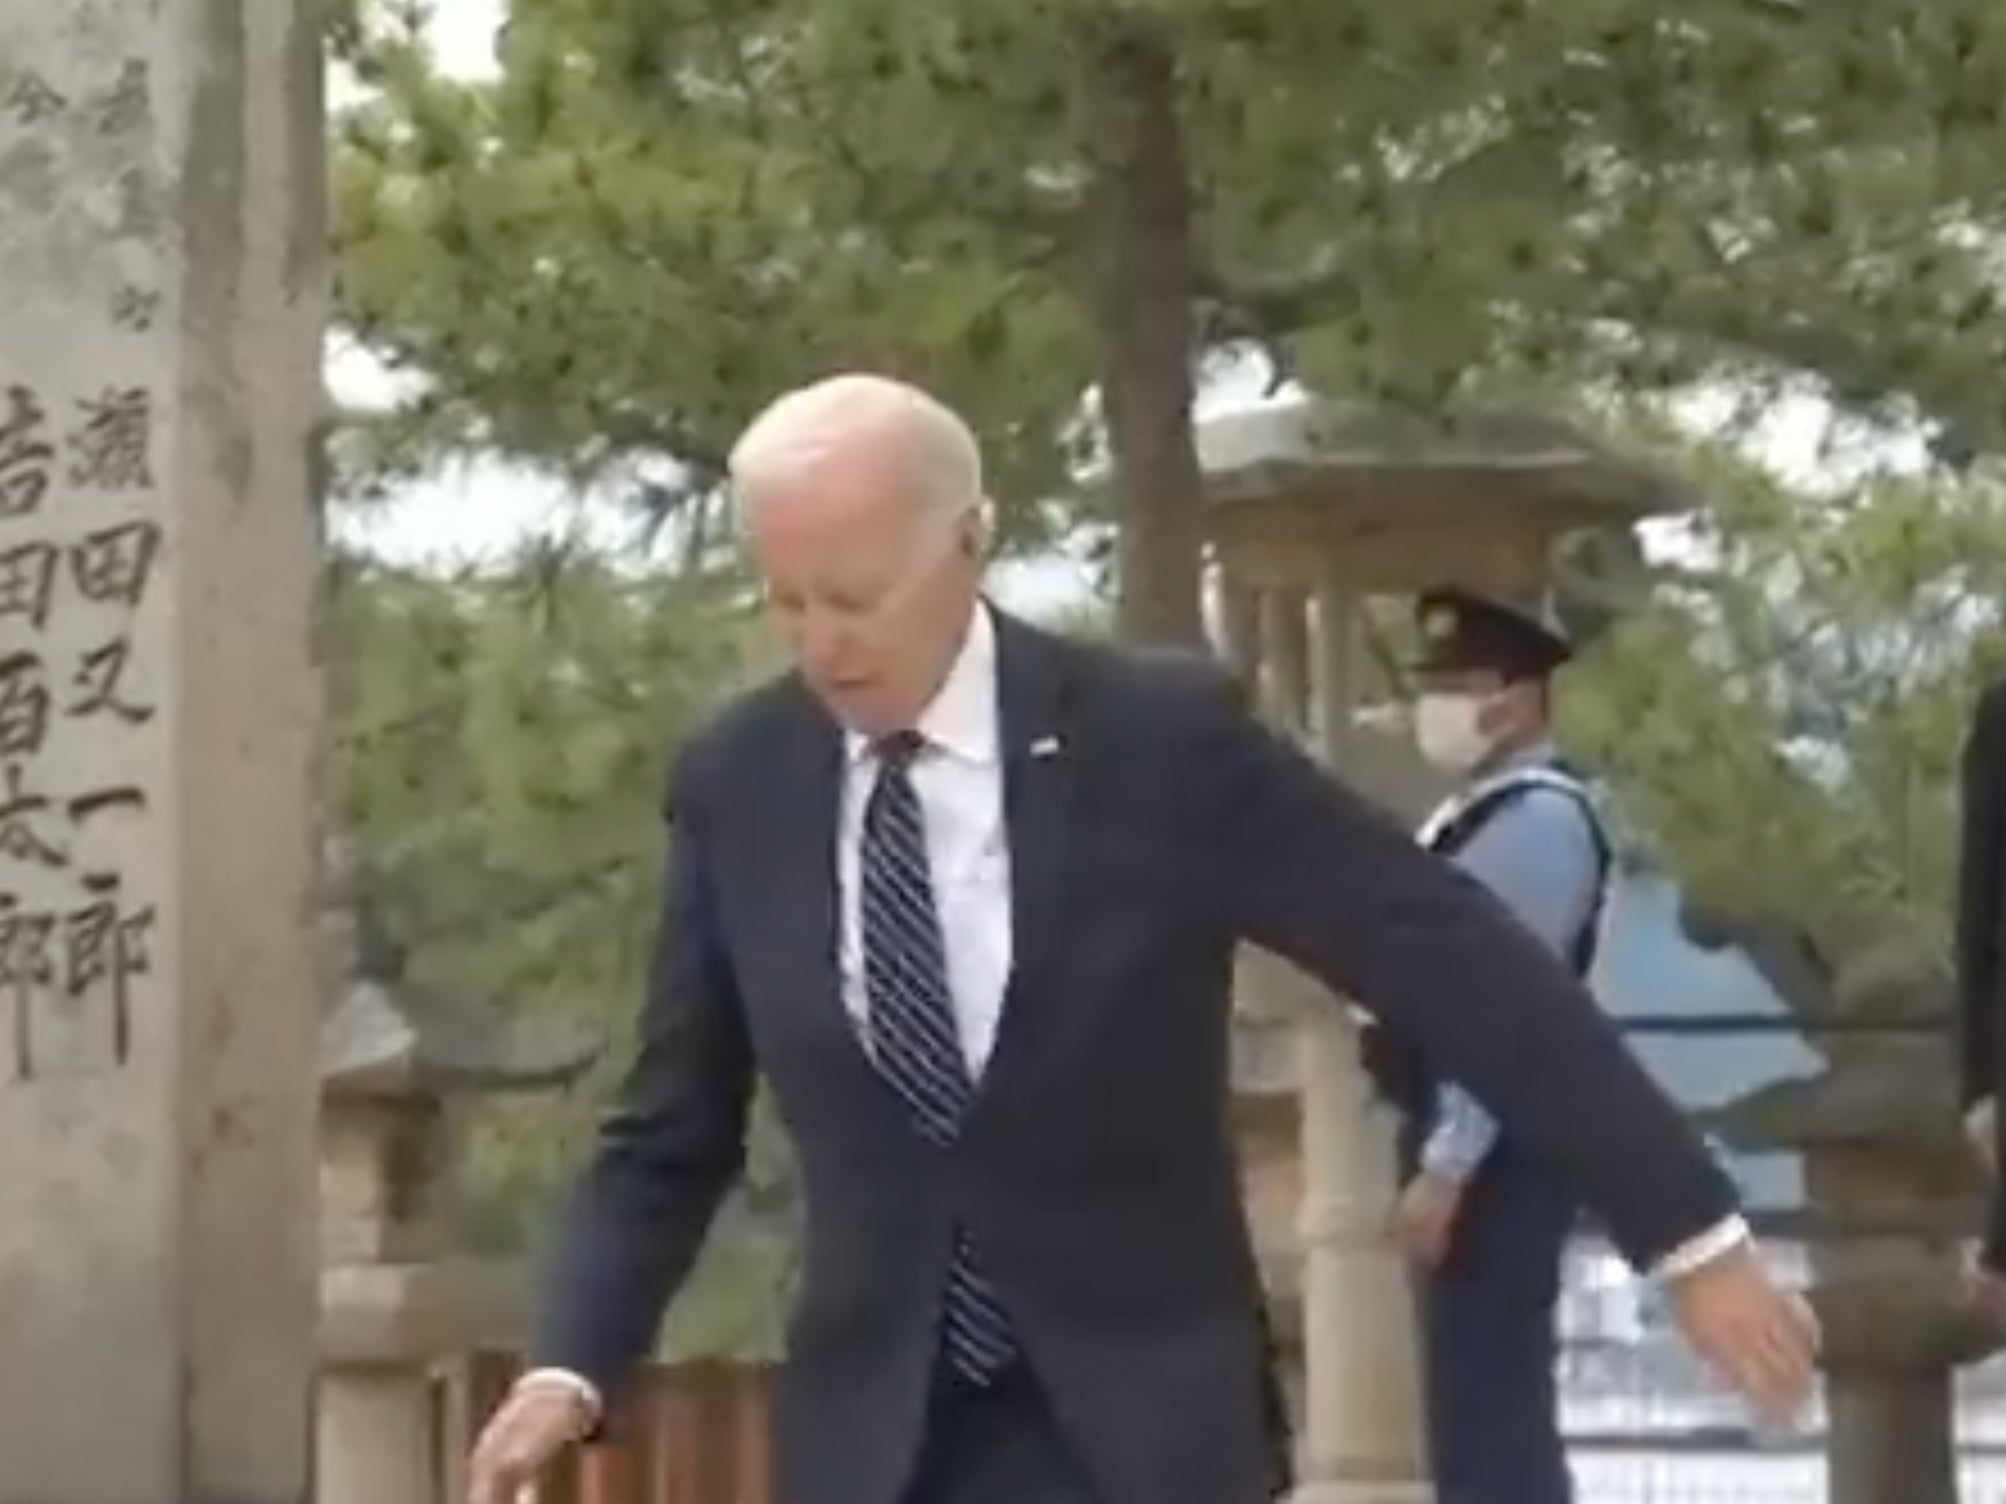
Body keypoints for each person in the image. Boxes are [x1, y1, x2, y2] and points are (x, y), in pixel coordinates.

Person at [467, 375, 1819, 1504]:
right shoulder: (740, 778)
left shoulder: (1152, 744)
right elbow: (670, 1127)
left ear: (968, 542)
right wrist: (568, 1367)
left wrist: (1687, 1232)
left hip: (1138, 1427)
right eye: (785, 601)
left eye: (855, 597)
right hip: (876, 1437)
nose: (821, 646)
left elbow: (1452, 961)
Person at [1368, 586, 1629, 1504]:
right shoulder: (1477, 812)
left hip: (1498, 1147)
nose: (1435, 704)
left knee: (1493, 1412)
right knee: (1472, 1406)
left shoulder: (1538, 821)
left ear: (1514, 698)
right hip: (1467, 1128)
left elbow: (1500, 1011)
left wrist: (1449, 1164)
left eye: (1457, 682)